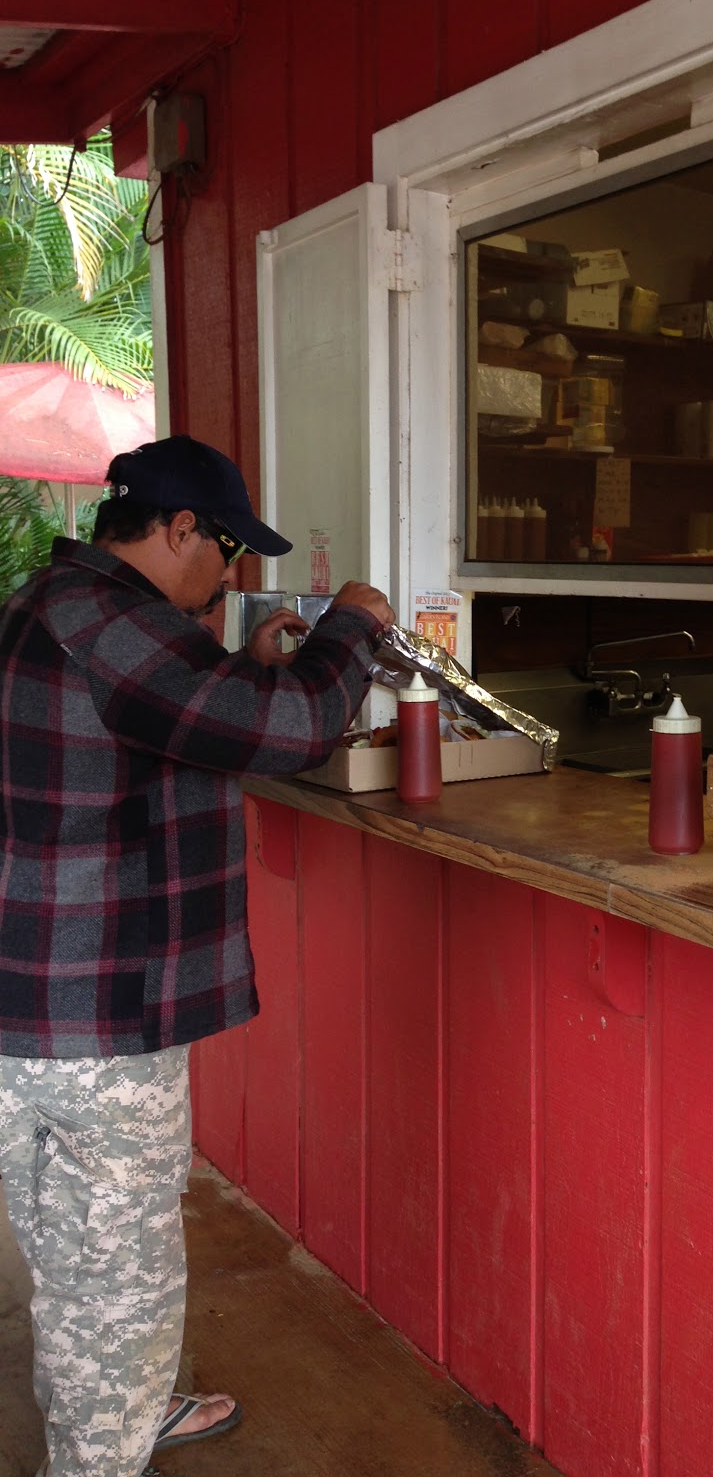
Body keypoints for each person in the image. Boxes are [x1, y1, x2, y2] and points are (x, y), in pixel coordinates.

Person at [0, 434, 396, 1477]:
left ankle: (123, 1410)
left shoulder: (55, 603)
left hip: (40, 1001)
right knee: (114, 1264)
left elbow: (171, 714)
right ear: (179, 528)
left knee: (76, 1254)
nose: (231, 576)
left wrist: (249, 660)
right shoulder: (108, 623)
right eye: (225, 551)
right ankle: (100, 1458)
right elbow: (294, 725)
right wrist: (352, 623)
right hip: (90, 1014)